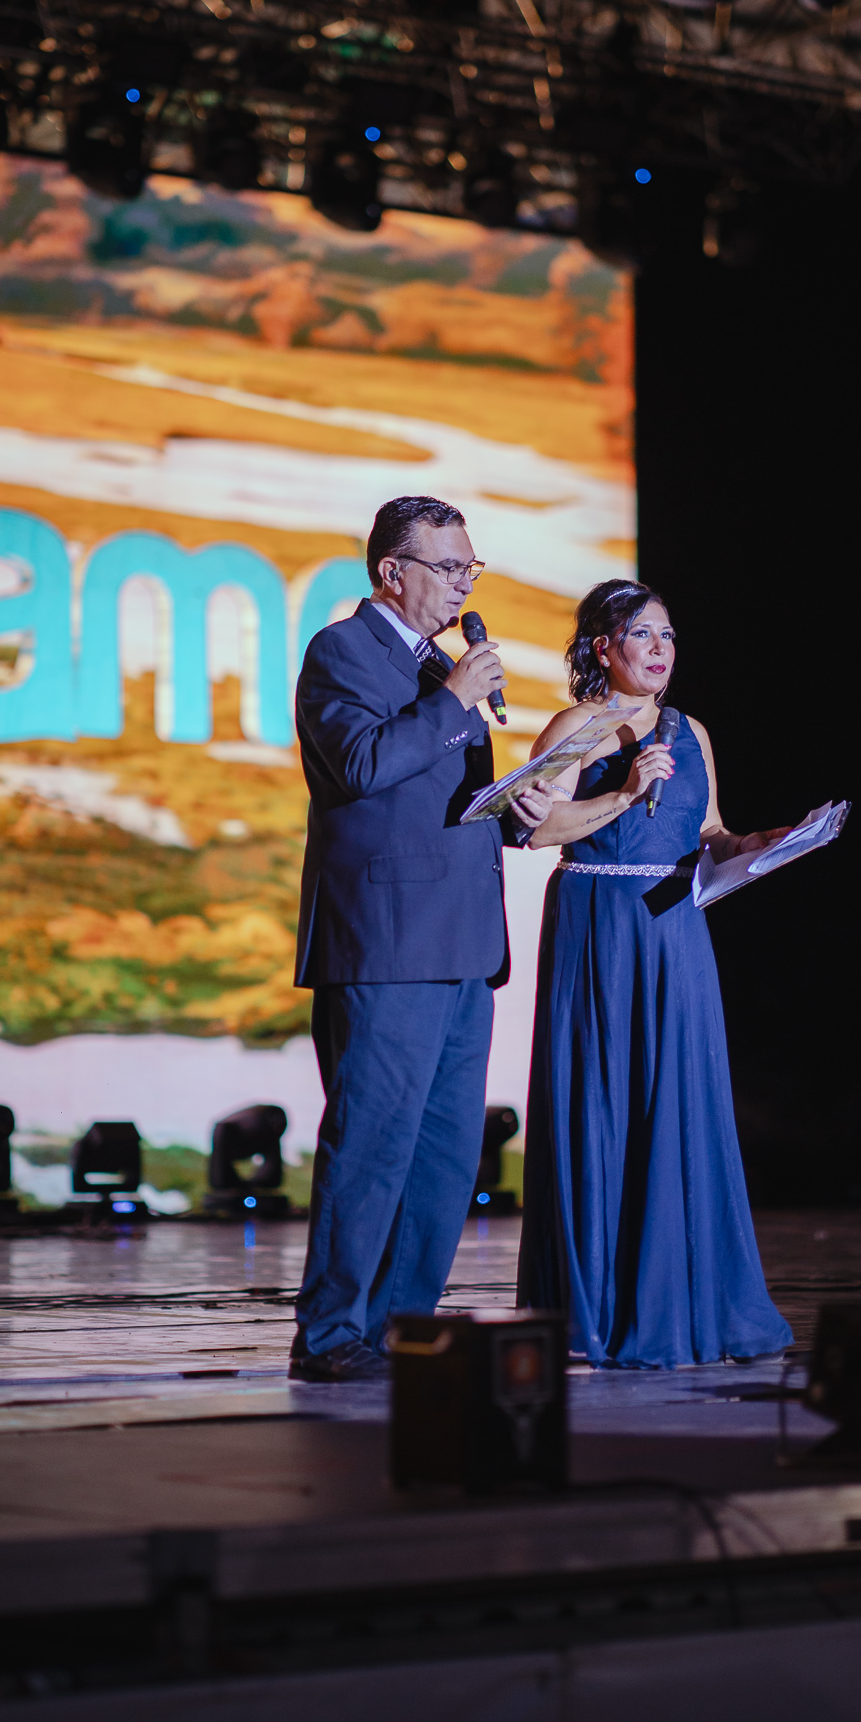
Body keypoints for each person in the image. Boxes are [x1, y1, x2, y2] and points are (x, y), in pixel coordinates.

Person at [289, 495, 553, 1381]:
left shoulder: (442, 668)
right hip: (387, 941)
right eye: (448, 568)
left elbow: (439, 799)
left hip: (464, 941)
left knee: (442, 1160)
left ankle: (403, 1328)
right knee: (371, 1146)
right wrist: (451, 701)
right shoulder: (341, 652)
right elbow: (361, 765)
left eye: (470, 568)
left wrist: (515, 808)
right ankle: (331, 1336)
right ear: (391, 572)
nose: (463, 585)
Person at [517, 578, 794, 1367]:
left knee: (677, 1100)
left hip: (674, 929)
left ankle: (685, 1299)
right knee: (603, 1100)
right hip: (600, 922)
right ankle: (598, 1309)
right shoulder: (577, 726)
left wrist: (755, 845)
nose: (659, 648)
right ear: (602, 647)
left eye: (667, 635)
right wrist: (624, 792)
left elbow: (707, 829)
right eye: (642, 634)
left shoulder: (690, 731)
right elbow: (536, 829)